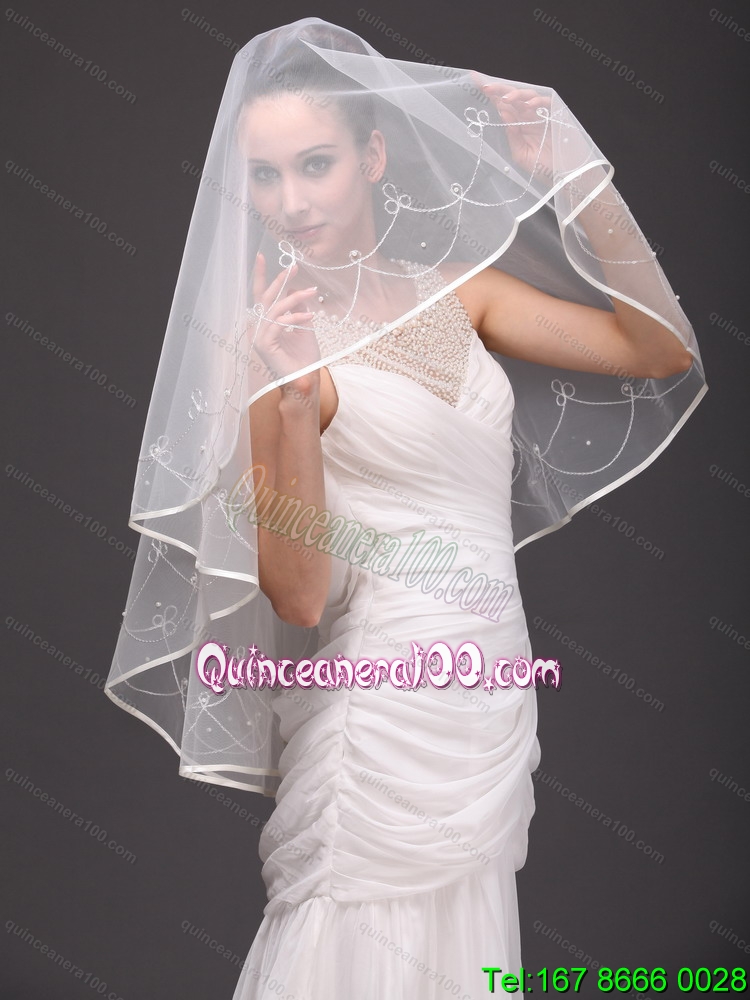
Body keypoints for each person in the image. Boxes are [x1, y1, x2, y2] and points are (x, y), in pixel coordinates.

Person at [104, 18, 706, 1000]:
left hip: (486, 698)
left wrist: (575, 176)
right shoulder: (266, 349)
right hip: (382, 713)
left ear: (373, 158)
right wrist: (292, 399)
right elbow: (299, 596)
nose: (291, 201)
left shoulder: (464, 298)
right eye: (266, 176)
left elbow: (658, 347)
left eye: (316, 164)